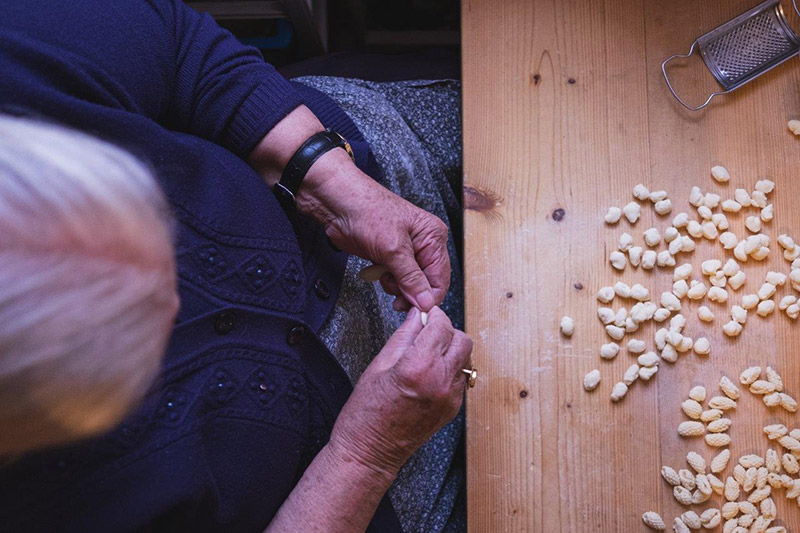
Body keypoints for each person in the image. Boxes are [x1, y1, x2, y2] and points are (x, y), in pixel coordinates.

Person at [0, 1, 471, 532]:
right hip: (378, 492)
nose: (180, 300)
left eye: (158, 223)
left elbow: (180, 48)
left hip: (374, 157)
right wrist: (366, 455)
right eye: (142, 346)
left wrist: (328, 179)